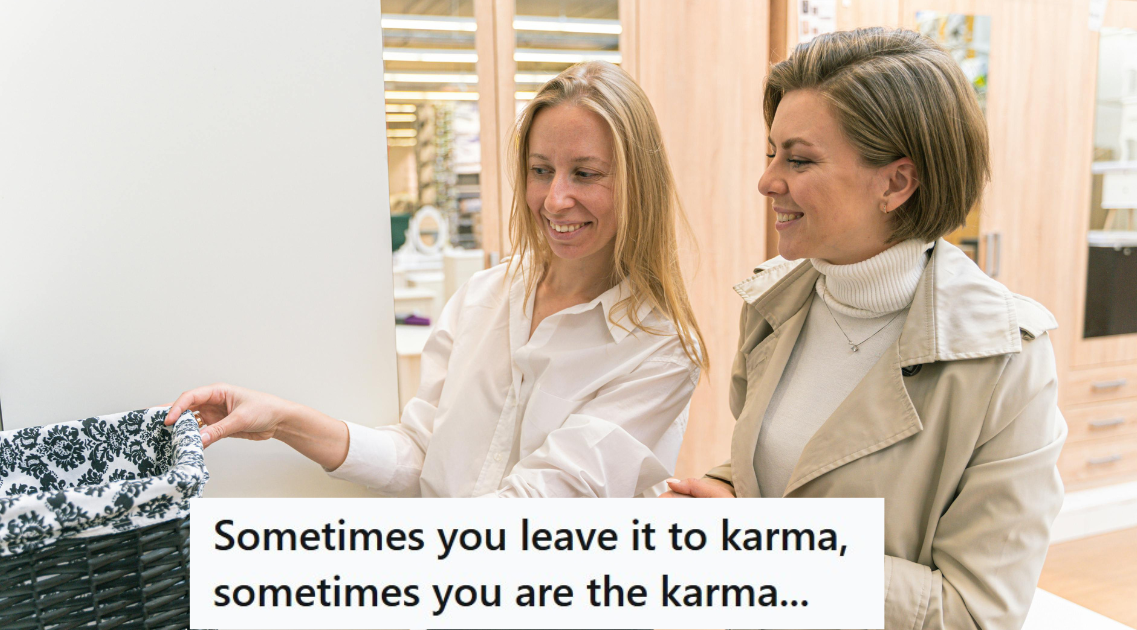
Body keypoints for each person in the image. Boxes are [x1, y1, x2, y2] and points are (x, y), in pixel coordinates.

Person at [663, 28, 1066, 629]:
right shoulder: (773, 302)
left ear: (896, 183)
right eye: (770, 153)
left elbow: (976, 612)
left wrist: (767, 546)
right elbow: (788, 472)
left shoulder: (1006, 360)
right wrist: (721, 497)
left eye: (798, 160)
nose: (768, 181)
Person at [165, 61, 706, 498]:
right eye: (541, 170)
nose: (555, 198)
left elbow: (538, 514)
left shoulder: (658, 350)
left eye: (585, 174)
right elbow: (419, 455)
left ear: (638, 184)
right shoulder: (484, 299)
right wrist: (281, 420)